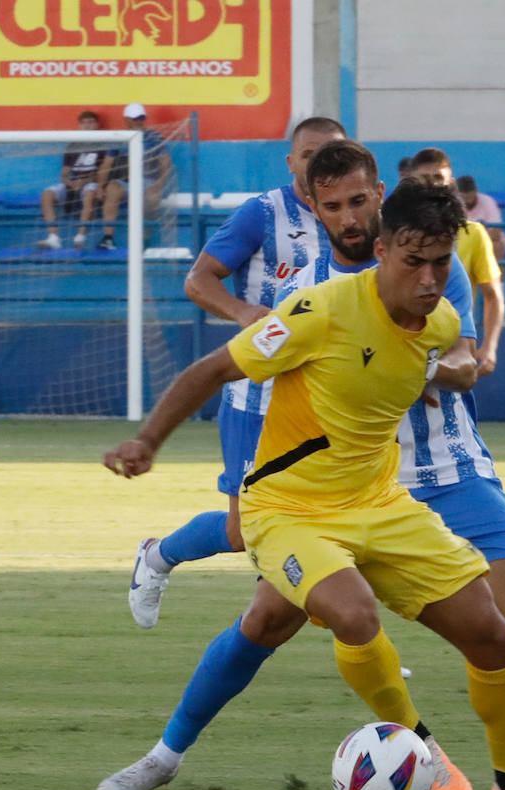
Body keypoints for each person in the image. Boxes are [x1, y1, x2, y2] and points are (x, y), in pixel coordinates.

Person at [97, 144, 505, 790]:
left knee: (492, 631)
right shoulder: (317, 307)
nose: (429, 277)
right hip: (291, 507)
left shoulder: (440, 315)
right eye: (414, 261)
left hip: (384, 497)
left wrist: (446, 368)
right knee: (321, 614)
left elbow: (455, 357)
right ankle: (418, 751)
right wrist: (148, 440)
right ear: (380, 247)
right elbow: (216, 370)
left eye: (440, 263)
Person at [126, 117, 345, 619]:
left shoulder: (356, 219)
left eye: (331, 154)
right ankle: (157, 556)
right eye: (309, 155)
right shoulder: (262, 214)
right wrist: (243, 311)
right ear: (291, 162)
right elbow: (198, 280)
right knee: (243, 529)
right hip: (258, 392)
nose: (320, 165)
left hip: (329, 394)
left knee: (341, 514)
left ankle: (335, 623)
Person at [409, 148, 505, 375]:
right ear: (411, 183)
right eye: (424, 179)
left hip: (455, 345)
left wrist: (490, 347)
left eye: (438, 178)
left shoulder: (473, 233)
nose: (431, 185)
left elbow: (493, 295)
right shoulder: (395, 234)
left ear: (450, 183)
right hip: (408, 342)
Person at [96, 102, 174, 251]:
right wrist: (100, 186)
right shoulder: (120, 138)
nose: (139, 121)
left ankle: (144, 238)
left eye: (141, 118)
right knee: (112, 188)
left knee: (152, 196)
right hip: (126, 182)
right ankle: (108, 237)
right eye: (135, 118)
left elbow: (166, 163)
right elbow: (107, 164)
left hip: (148, 181)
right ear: (127, 119)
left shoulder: (154, 137)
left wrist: (160, 183)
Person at [38, 110, 110, 250]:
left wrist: (83, 182)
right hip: (73, 183)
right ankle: (53, 237)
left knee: (90, 194)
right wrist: (70, 182)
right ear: (79, 126)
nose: (87, 125)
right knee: (46, 195)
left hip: (91, 183)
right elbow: (64, 174)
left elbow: (103, 173)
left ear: (97, 124)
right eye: (84, 123)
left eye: (91, 122)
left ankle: (80, 237)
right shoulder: (73, 145)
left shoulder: (104, 144)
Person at [456, 175, 505, 263]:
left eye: (470, 197)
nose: (468, 201)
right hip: (461, 242)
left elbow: (496, 233)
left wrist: (474, 242)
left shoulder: (488, 201)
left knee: (497, 246)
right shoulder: (451, 203)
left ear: (476, 191)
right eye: (464, 198)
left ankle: (497, 273)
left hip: (485, 241)